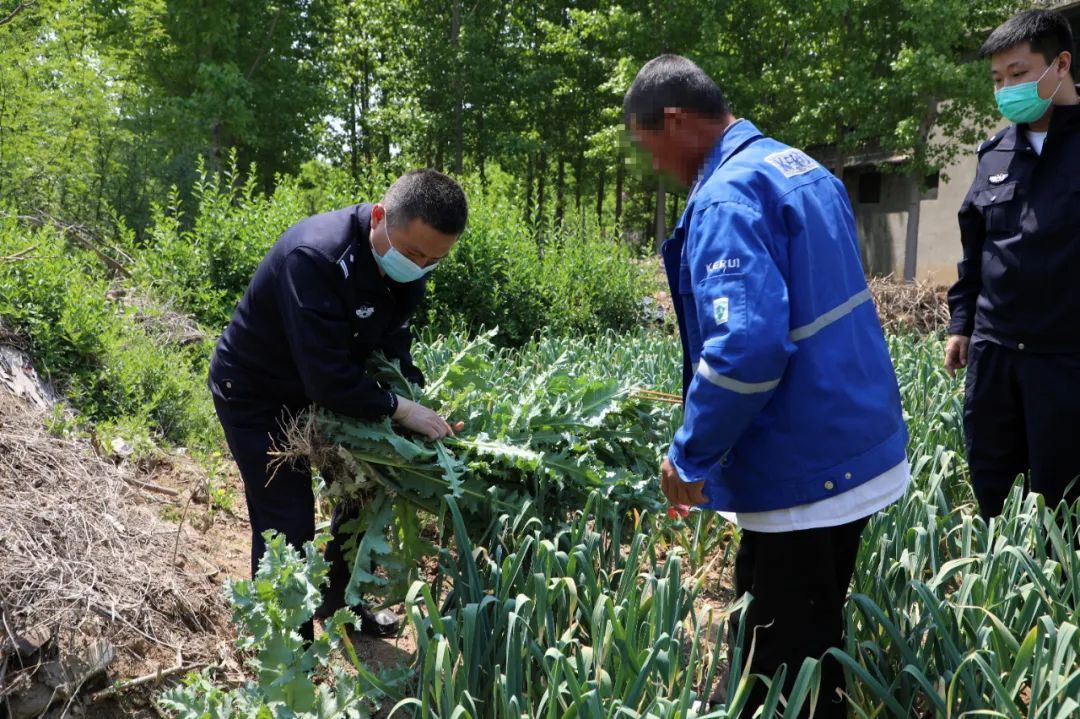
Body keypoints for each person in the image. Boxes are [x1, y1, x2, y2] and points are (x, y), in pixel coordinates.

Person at [623, 55, 909, 717]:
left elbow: (745, 352)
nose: (657, 166)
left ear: (674, 119)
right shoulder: (796, 165)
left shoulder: (726, 194)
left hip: (802, 471)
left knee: (780, 674)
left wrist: (688, 454)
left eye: (650, 148)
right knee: (814, 637)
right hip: (854, 445)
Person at [208, 169, 468, 637]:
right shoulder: (315, 257)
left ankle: (339, 601)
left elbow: (392, 347)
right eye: (414, 254)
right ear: (379, 218)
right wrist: (400, 410)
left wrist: (419, 401)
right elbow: (326, 376)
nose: (421, 265)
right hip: (258, 392)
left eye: (434, 260)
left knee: (362, 490)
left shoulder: (408, 263)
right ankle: (287, 645)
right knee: (285, 519)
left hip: (328, 391)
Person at [946, 9, 1080, 522]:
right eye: (998, 80)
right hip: (996, 357)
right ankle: (1001, 595)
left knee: (1063, 500)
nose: (1006, 90)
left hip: (1065, 361)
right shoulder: (994, 153)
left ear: (1060, 65)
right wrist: (962, 325)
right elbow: (975, 251)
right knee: (993, 486)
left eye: (1018, 75)